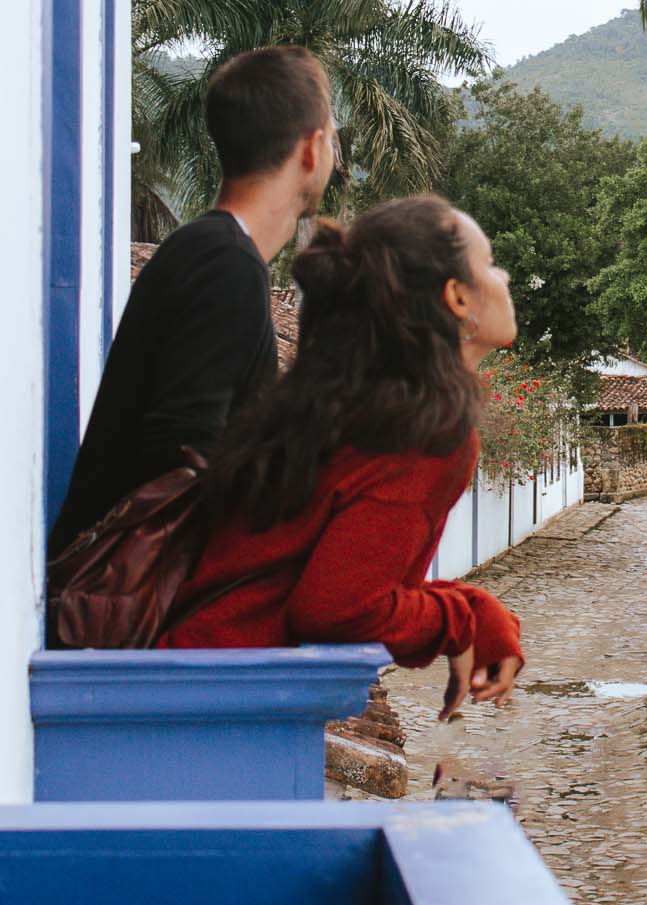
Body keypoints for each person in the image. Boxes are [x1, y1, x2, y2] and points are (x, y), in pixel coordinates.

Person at [159, 196, 524, 719]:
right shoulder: (426, 435)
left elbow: (324, 573)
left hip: (187, 670)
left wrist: (473, 608)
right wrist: (459, 619)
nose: (503, 276)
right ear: (457, 299)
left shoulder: (341, 409)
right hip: (224, 709)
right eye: (489, 264)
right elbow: (340, 609)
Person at [48, 46, 337, 561]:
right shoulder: (225, 264)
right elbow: (182, 461)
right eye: (333, 135)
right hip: (120, 617)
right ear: (312, 151)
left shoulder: (211, 252)